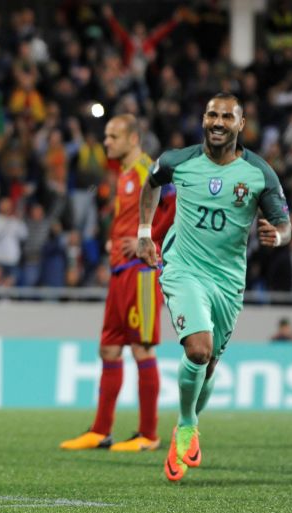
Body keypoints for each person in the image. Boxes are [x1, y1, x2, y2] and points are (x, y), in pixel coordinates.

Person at [137, 93, 290, 482]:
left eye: (226, 116)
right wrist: (144, 233)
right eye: (211, 114)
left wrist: (279, 236)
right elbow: (151, 184)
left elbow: (283, 222)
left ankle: (187, 425)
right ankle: (186, 424)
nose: (217, 122)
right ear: (203, 119)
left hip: (227, 281)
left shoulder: (259, 173)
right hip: (183, 267)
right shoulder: (178, 160)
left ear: (241, 124)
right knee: (199, 349)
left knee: (210, 363)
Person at [61, 114, 175, 452]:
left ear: (132, 139)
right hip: (119, 273)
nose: (106, 141)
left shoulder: (147, 169)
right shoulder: (124, 173)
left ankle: (149, 434)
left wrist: (149, 238)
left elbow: (173, 204)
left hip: (140, 273)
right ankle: (100, 430)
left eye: (113, 136)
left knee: (142, 349)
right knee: (109, 348)